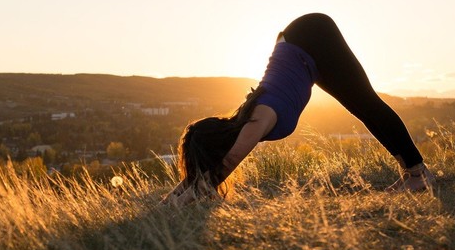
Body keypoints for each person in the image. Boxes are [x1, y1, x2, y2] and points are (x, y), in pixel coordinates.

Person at [165, 13, 435, 206]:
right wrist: (169, 200)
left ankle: (418, 173)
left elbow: (226, 164)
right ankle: (413, 173)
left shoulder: (257, 119)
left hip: (311, 36)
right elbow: (205, 173)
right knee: (361, 107)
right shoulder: (242, 120)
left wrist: (181, 203)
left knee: (366, 102)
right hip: (301, 48)